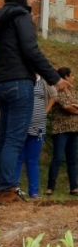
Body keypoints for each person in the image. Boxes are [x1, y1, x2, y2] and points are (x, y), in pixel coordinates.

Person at [0, 0, 69, 206]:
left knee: (3, 139)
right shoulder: (21, 16)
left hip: (1, 84)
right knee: (14, 139)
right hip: (20, 83)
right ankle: (9, 189)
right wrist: (55, 78)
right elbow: (31, 51)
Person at [15, 75, 57, 199]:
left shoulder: (44, 81)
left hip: (38, 126)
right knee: (18, 157)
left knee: (33, 160)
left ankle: (33, 191)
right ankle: (15, 188)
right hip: (22, 124)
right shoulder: (23, 78)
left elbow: (54, 96)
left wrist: (45, 111)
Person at [46, 67, 78, 196]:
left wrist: (74, 106)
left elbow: (73, 105)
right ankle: (50, 187)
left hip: (74, 129)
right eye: (71, 75)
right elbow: (67, 107)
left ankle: (74, 187)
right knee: (57, 158)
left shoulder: (73, 91)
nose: (73, 78)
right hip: (61, 130)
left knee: (73, 159)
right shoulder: (57, 91)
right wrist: (74, 107)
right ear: (66, 77)